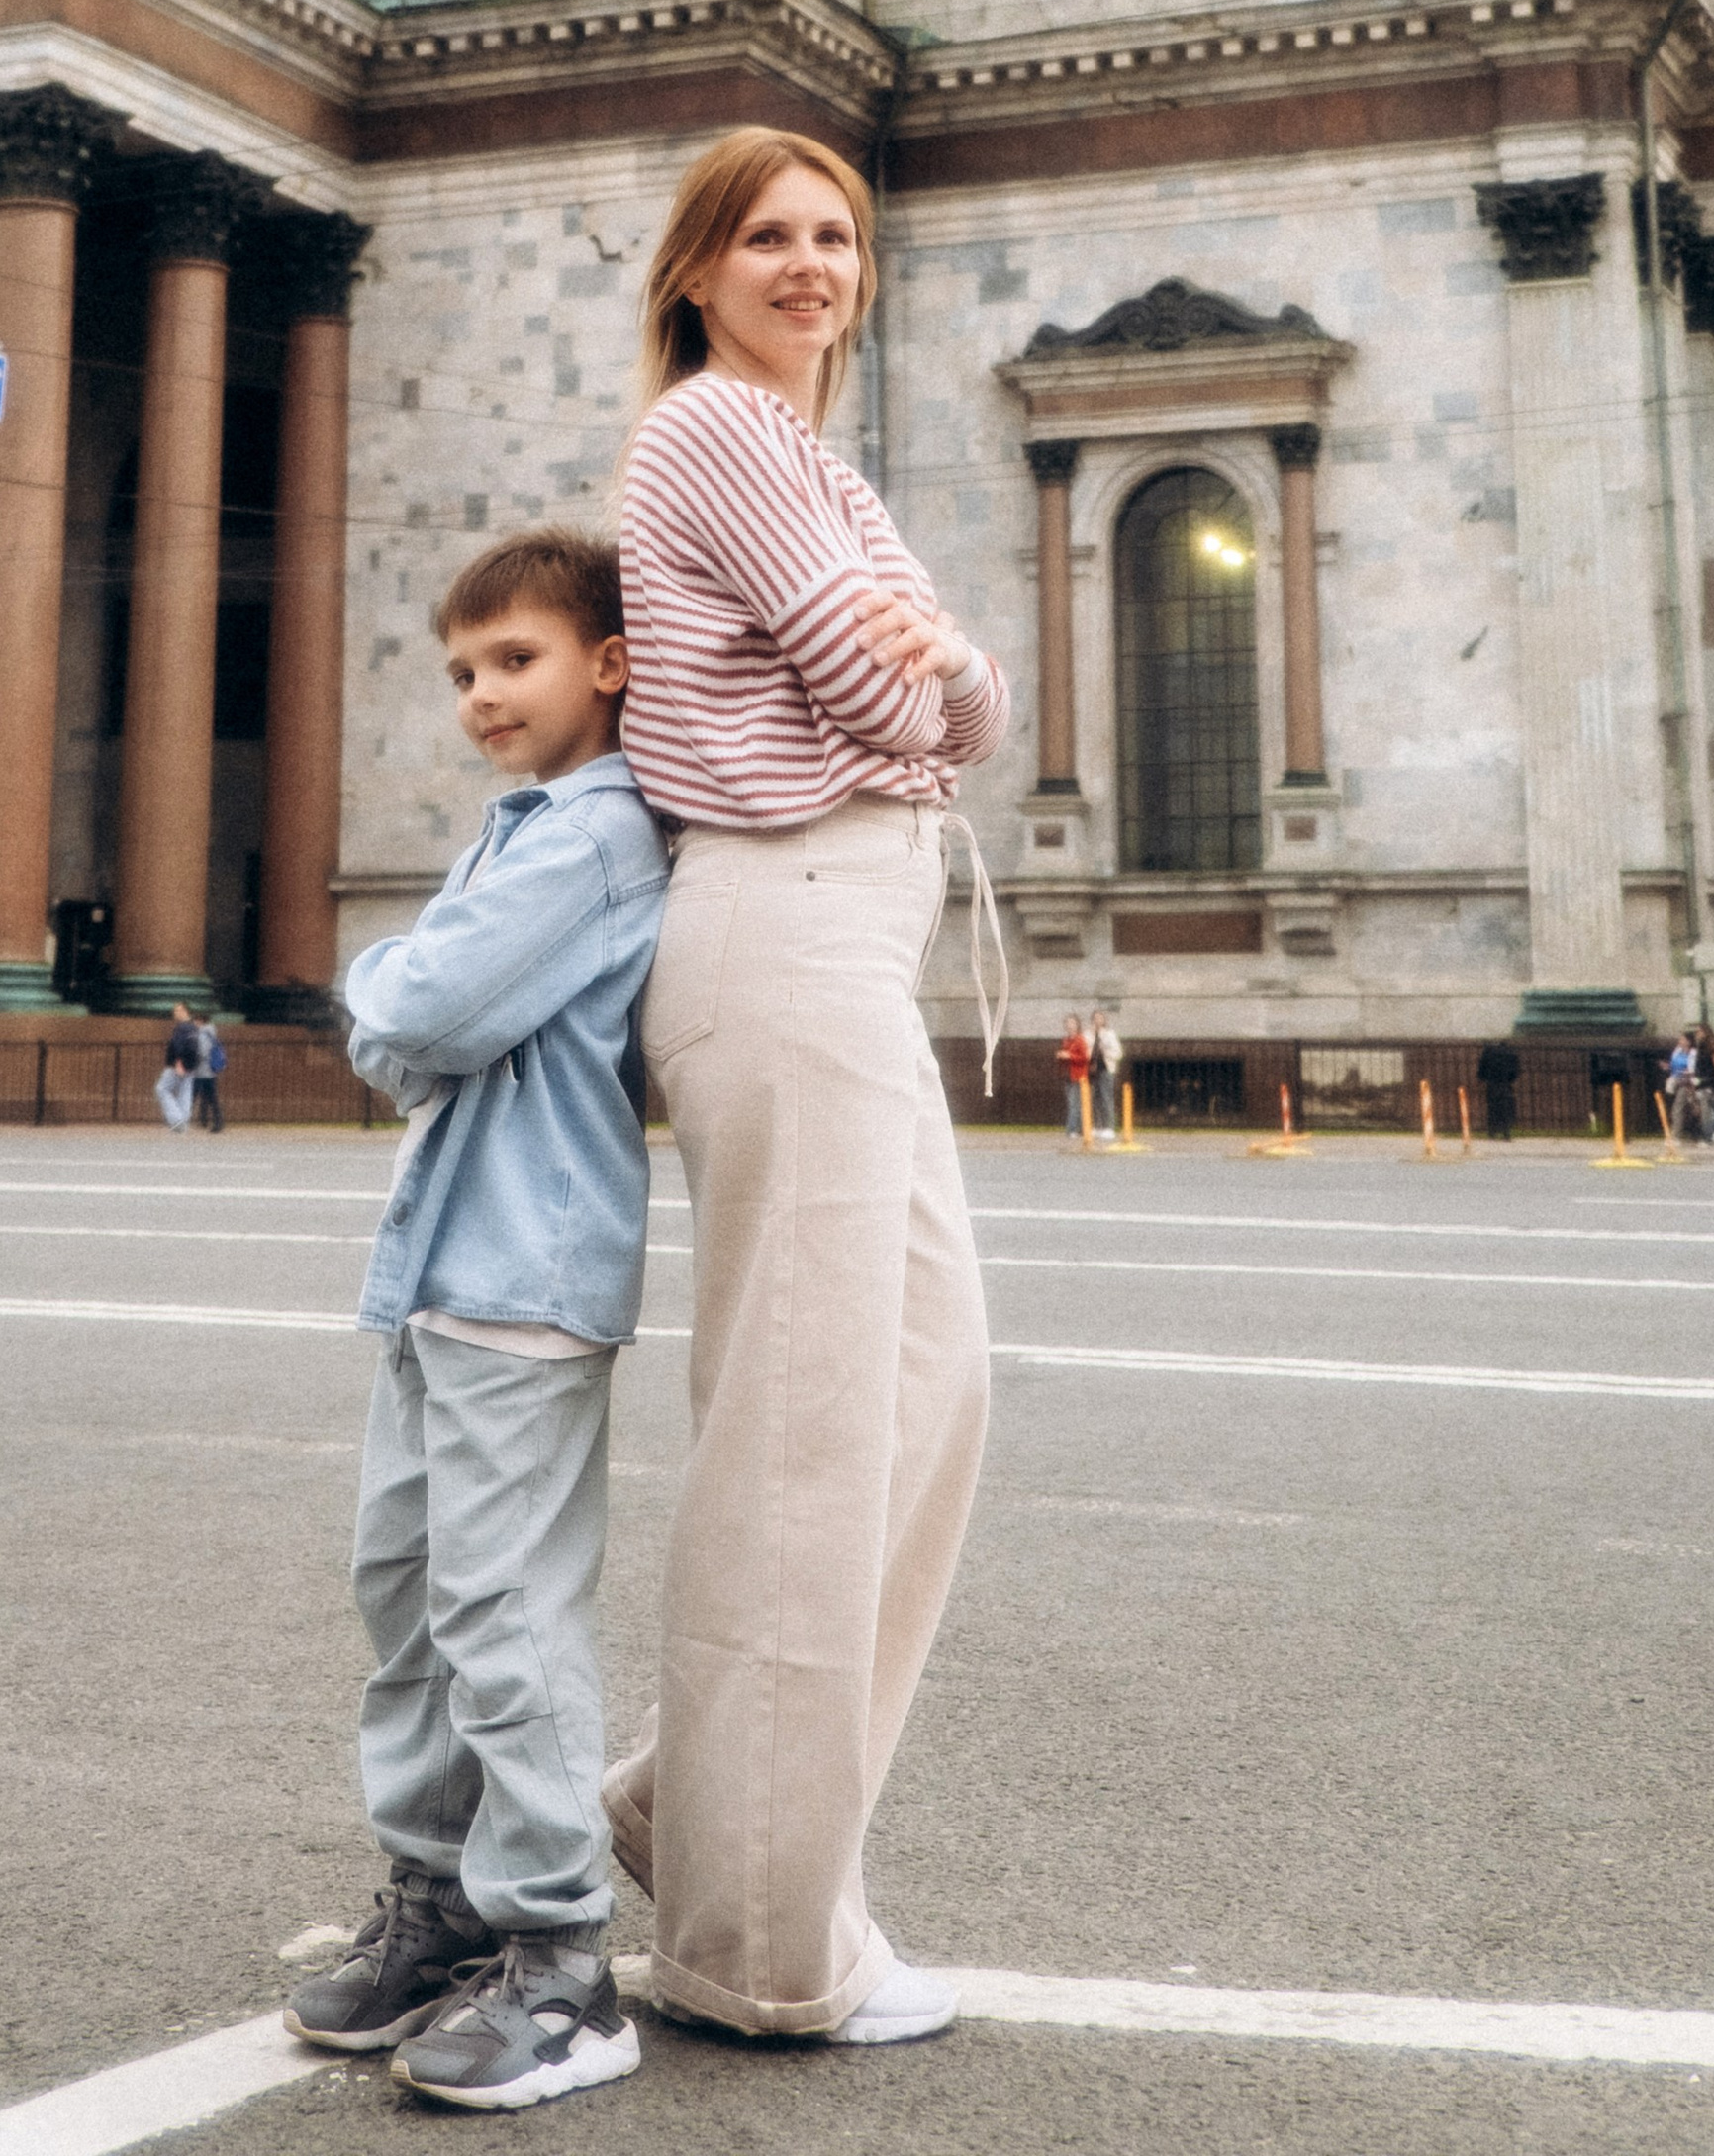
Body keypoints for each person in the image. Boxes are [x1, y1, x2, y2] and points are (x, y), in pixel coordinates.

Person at [604, 127, 1010, 2047]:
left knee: (925, 1382)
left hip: (849, 936)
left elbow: (969, 698)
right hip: (782, 920)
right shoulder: (714, 434)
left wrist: (943, 678)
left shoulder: (811, 455)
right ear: (696, 270)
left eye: (831, 235)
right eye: (763, 235)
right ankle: (756, 1947)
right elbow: (889, 700)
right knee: (804, 1434)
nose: (804, 262)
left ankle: (693, 1804)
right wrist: (932, 679)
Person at [284, 527, 667, 2111]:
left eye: (514, 660)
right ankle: (436, 1904)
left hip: (528, 1275)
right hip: (445, 1272)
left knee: (504, 1621)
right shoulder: (520, 831)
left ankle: (562, 1958)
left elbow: (419, 1013)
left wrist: (384, 986)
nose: (481, 694)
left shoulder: (593, 834)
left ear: (611, 665)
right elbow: (421, 1020)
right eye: (459, 672)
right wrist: (407, 997)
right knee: (404, 1597)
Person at [1090, 1007, 1126, 1148]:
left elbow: (1118, 1053)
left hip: (1106, 1068)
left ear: (1104, 1020)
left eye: (1100, 1018)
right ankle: (1096, 1126)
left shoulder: (1110, 1034)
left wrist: (1106, 1051)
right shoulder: (1089, 1034)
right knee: (1094, 1098)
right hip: (1092, 1070)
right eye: (1095, 1018)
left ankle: (1109, 1127)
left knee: (1106, 1097)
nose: (1098, 1021)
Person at [1476, 1035, 1520, 1144]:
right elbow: (1515, 1070)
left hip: (1492, 1083)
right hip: (1505, 1083)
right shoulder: (1510, 1052)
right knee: (1505, 1107)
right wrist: (1510, 1080)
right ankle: (1506, 1132)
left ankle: (1493, 1132)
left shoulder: (1488, 1052)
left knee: (1493, 1107)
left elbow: (1482, 1069)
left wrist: (1483, 1078)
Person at [1057, 1010, 1091, 1145]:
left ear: (1077, 1025)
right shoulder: (1066, 1040)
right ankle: (1077, 1128)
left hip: (1078, 1075)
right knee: (1072, 1103)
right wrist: (1061, 1056)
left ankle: (1072, 1129)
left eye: (1072, 1023)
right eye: (1068, 1023)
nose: (1070, 1025)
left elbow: (1084, 1057)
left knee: (1074, 1103)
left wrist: (1070, 1056)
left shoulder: (1080, 1039)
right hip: (1068, 1074)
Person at [192, 1011, 226, 1135]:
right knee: (209, 1096)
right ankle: (209, 1120)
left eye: (195, 1021)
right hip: (209, 1071)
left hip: (202, 1070)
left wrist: (191, 1058)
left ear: (200, 1021)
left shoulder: (203, 1034)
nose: (194, 1023)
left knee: (194, 1095)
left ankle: (216, 1121)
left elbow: (202, 1052)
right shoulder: (211, 1033)